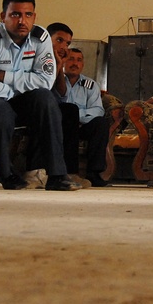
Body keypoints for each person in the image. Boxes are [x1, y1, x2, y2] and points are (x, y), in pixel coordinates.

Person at [0, 0, 80, 191]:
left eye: (28, 15)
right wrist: (15, 93)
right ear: (4, 17)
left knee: (46, 98)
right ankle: (7, 175)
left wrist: (5, 76)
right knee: (2, 112)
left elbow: (45, 81)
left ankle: (56, 175)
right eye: (15, 14)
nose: (22, 21)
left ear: (34, 17)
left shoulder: (41, 37)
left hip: (16, 95)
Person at [56, 47, 112, 187]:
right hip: (60, 126)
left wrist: (78, 117)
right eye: (71, 59)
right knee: (69, 116)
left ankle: (94, 173)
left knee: (100, 124)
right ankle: (70, 172)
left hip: (82, 125)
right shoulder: (56, 82)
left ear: (83, 65)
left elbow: (98, 110)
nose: (75, 63)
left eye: (79, 60)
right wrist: (73, 117)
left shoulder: (90, 85)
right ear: (63, 62)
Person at [46, 22, 84, 183]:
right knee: (46, 108)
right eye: (59, 40)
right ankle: (35, 171)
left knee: (69, 110)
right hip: (27, 103)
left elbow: (62, 95)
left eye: (67, 43)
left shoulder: (55, 61)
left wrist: (59, 66)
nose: (64, 46)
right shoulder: (34, 54)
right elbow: (42, 88)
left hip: (49, 105)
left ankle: (70, 171)